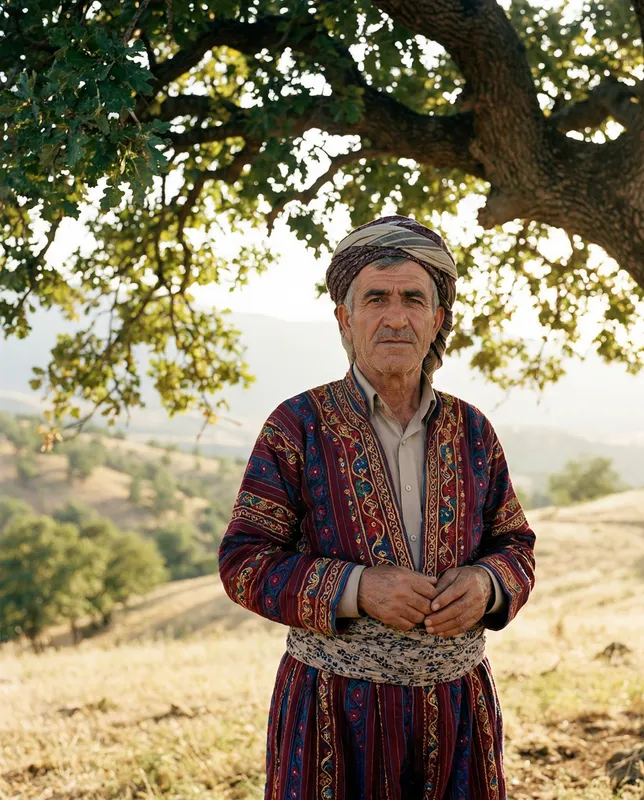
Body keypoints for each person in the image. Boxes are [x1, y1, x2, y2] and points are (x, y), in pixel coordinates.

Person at [219, 215, 536, 799]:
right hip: (330, 716)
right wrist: (357, 588)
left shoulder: (472, 431)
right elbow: (243, 563)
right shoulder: (297, 427)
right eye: (376, 298)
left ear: (437, 319)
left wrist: (488, 584)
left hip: (458, 711)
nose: (396, 316)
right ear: (344, 317)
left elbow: (516, 546)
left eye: (415, 298)